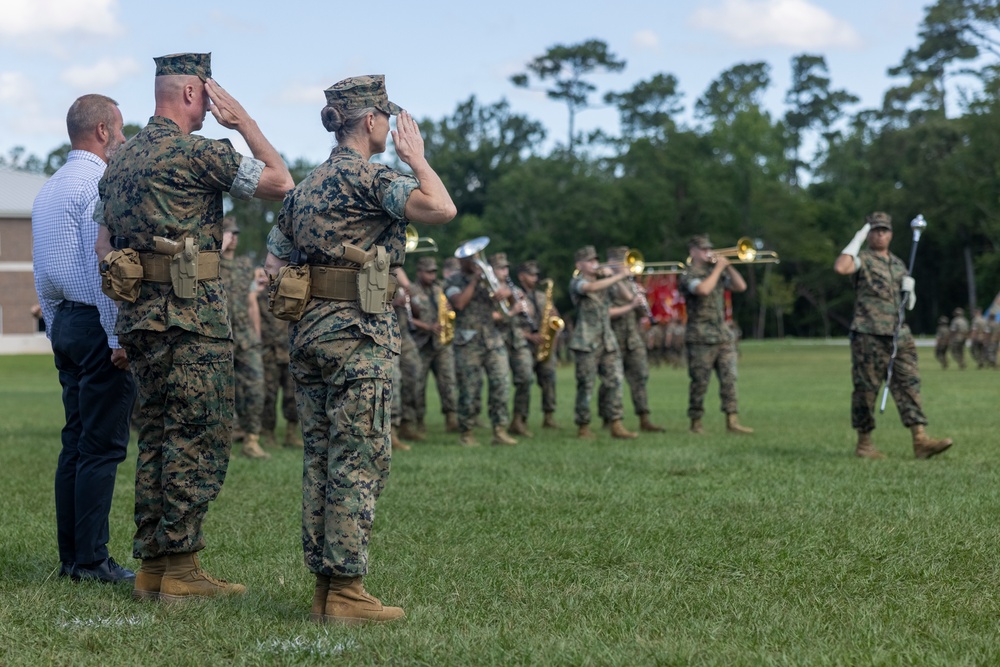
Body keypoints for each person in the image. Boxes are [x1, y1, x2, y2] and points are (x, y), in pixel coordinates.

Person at [97, 53, 294, 601]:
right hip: (192, 319)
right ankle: (181, 571)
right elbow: (281, 182)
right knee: (197, 438)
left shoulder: (121, 159)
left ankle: (152, 568)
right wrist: (246, 124)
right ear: (190, 94)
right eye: (208, 97)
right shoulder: (201, 153)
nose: (212, 107)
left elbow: (102, 244)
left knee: (157, 437)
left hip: (139, 317)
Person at [263, 75, 455, 624]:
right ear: (369, 122)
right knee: (361, 455)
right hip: (359, 337)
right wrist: (415, 158)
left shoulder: (305, 188)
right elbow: (441, 207)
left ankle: (326, 587)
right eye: (387, 120)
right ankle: (347, 590)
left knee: (322, 457)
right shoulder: (373, 178)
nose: (393, 128)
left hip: (309, 335)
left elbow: (275, 264)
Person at [32, 93, 136, 584]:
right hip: (98, 322)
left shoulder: (48, 189)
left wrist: (54, 328)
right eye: (118, 128)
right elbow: (104, 269)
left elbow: (41, 274)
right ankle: (92, 561)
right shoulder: (98, 183)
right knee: (101, 448)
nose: (121, 136)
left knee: (74, 444)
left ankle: (72, 558)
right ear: (101, 131)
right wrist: (118, 335)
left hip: (67, 326)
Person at [834, 212, 952, 459]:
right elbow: (841, 267)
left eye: (884, 230)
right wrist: (857, 238)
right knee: (866, 389)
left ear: (891, 234)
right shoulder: (862, 259)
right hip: (869, 333)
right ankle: (864, 443)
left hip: (899, 333)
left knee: (909, 383)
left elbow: (906, 304)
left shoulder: (899, 263)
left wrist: (910, 292)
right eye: (875, 230)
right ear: (869, 233)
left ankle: (920, 439)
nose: (880, 234)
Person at [679, 235, 752, 435]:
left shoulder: (716, 272)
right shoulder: (688, 274)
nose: (708, 252)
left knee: (730, 379)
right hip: (700, 336)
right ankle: (696, 422)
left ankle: (732, 420)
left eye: (709, 248)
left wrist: (727, 266)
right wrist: (719, 269)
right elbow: (702, 289)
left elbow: (740, 286)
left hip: (722, 335)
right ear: (693, 251)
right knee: (700, 381)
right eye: (703, 249)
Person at [446, 246, 518, 446]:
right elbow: (459, 303)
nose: (475, 261)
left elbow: (509, 306)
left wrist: (507, 294)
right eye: (470, 258)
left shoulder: (490, 279)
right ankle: (467, 432)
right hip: (468, 341)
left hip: (492, 338)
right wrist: (476, 281)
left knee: (501, 384)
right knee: (469, 389)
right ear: (461, 261)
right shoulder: (453, 281)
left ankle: (500, 430)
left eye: (476, 257)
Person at [568, 245, 637, 440]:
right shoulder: (577, 282)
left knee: (615, 381)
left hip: (607, 339)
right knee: (586, 385)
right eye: (589, 261)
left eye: (595, 260)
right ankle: (583, 426)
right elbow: (589, 288)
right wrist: (616, 276)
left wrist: (616, 277)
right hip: (586, 340)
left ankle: (616, 423)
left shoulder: (604, 280)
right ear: (579, 265)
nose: (594, 264)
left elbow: (627, 297)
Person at [219, 217, 269, 459]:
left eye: (236, 234)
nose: (233, 238)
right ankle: (223, 440)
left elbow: (251, 302)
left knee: (255, 386)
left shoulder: (244, 265)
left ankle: (251, 440)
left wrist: (256, 335)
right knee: (221, 390)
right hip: (219, 336)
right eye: (229, 233)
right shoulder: (211, 264)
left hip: (245, 336)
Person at [604, 246, 665, 433]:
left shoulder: (631, 284)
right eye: (625, 262)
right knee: (611, 380)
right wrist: (630, 303)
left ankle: (644, 417)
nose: (629, 267)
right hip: (613, 336)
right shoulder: (605, 283)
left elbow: (640, 313)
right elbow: (605, 312)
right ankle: (609, 418)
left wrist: (641, 301)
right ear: (613, 264)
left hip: (633, 337)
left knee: (640, 376)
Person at [408, 255, 460, 433]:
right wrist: (428, 326)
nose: (432, 275)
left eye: (434, 272)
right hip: (421, 344)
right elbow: (408, 319)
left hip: (441, 344)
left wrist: (448, 312)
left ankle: (451, 418)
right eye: (429, 272)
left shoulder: (439, 289)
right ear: (420, 272)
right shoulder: (411, 290)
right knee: (418, 384)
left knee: (448, 381)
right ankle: (418, 421)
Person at [255, 267, 302, 448]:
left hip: (290, 352)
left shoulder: (291, 294)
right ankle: (268, 434)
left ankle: (291, 433)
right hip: (269, 353)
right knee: (269, 394)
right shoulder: (260, 297)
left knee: (293, 395)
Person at [492, 252, 535, 438]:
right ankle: (498, 424)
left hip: (517, 339)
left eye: (506, 267)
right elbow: (490, 317)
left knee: (526, 378)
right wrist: (511, 311)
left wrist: (524, 305)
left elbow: (531, 310)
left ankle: (519, 420)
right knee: (501, 382)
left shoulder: (513, 289)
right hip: (497, 339)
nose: (505, 271)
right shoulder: (489, 289)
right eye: (500, 268)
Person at [515, 260, 560, 429]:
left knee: (549, 379)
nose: (535, 278)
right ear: (521, 277)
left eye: (536, 274)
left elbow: (555, 317)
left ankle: (549, 416)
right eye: (531, 275)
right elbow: (509, 323)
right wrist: (529, 336)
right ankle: (520, 418)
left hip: (544, 345)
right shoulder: (515, 295)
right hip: (524, 344)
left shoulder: (542, 297)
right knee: (525, 380)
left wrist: (552, 330)